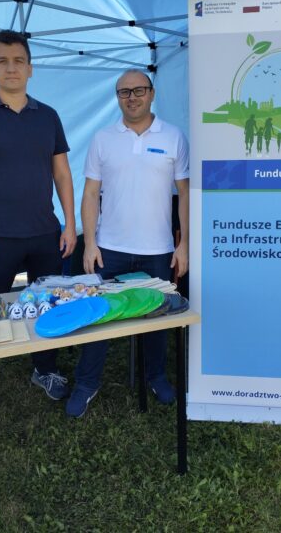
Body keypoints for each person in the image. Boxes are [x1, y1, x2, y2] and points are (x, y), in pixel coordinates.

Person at [0, 30, 77, 424]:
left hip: (44, 234)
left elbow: (62, 174)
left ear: (30, 68)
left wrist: (70, 224)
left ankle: (44, 369)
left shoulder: (49, 116)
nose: (11, 68)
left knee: (47, 307)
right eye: (2, 61)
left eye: (18, 60)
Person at [66, 69, 189, 418]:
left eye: (139, 90)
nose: (132, 97)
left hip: (158, 249)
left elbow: (184, 193)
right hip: (110, 248)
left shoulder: (174, 137)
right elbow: (90, 193)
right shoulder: (102, 138)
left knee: (156, 318)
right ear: (117, 97)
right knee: (98, 317)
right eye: (124, 92)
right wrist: (90, 243)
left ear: (152, 94)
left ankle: (156, 377)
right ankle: (86, 383)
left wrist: (184, 244)